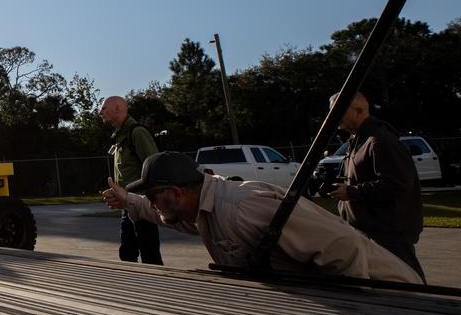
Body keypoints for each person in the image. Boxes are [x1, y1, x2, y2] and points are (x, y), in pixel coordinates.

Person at [101, 151, 422, 284]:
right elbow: (160, 216)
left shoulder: (243, 208)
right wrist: (129, 200)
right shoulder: (202, 209)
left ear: (176, 193)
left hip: (395, 296)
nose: (153, 205)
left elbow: (345, 248)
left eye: (154, 197)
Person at [327, 92, 425, 280]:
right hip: (370, 231)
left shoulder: (380, 140)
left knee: (409, 283)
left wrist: (352, 191)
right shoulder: (358, 141)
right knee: (390, 289)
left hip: (388, 234)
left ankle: (433, 309)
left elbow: (396, 184)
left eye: (338, 110)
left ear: (359, 111)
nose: (333, 116)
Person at [99, 95, 162, 265]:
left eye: (104, 108)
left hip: (141, 205)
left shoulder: (137, 133)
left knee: (150, 256)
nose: (100, 112)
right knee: (127, 254)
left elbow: (154, 168)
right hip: (127, 205)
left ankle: (160, 287)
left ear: (118, 108)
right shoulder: (121, 137)